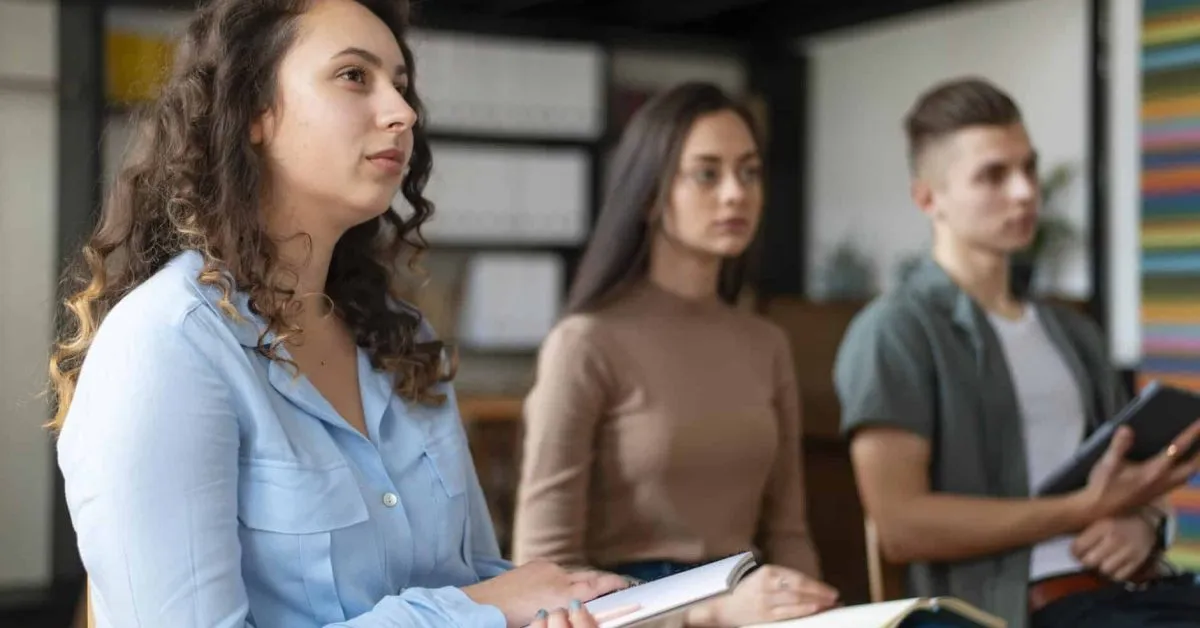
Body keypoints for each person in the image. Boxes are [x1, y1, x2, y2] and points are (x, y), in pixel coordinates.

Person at [49, 1, 631, 627]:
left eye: (403, 87)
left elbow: (469, 581)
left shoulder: (401, 339)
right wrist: (477, 609)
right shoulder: (167, 344)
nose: (403, 113)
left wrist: (564, 599)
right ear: (254, 112)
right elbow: (470, 605)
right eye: (354, 76)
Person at [833, 76, 1200, 628]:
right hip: (1013, 609)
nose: (1026, 191)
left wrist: (1145, 523)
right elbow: (902, 526)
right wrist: (1083, 511)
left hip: (1134, 590)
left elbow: (1133, 481)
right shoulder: (895, 331)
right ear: (928, 197)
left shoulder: (1072, 332)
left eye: (1028, 167)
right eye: (993, 175)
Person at [511, 82, 839, 628]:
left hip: (753, 608)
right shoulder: (586, 344)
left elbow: (789, 533)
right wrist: (705, 613)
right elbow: (542, 572)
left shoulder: (767, 344)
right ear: (649, 194)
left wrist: (813, 613)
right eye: (707, 173)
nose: (736, 193)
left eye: (749, 172)